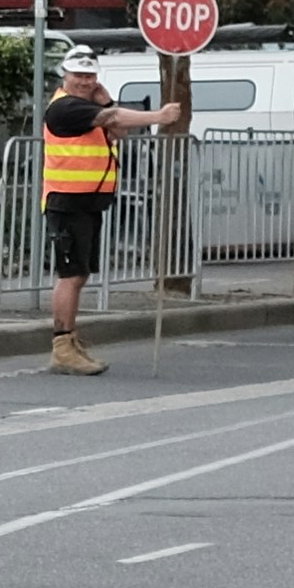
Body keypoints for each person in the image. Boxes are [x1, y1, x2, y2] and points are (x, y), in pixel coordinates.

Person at [37, 45, 179, 371]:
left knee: (81, 274)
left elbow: (118, 131)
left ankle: (71, 339)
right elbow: (113, 120)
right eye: (79, 75)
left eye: (90, 76)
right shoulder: (65, 108)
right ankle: (62, 345)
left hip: (88, 200)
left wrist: (105, 100)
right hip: (67, 201)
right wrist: (158, 117)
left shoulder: (87, 105)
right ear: (65, 76)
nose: (85, 82)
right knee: (70, 275)